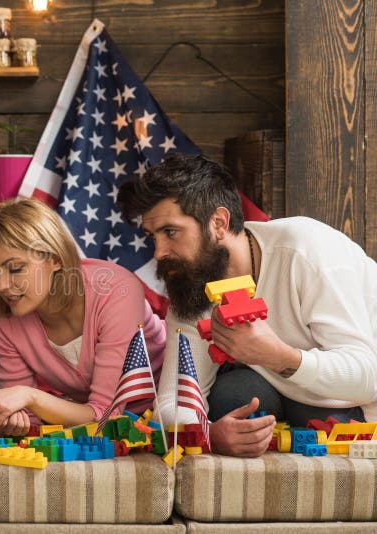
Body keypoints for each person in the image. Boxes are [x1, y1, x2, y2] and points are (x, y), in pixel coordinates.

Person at [117, 153, 377, 457]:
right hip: (286, 393)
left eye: (171, 232)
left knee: (323, 416)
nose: (159, 252)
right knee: (233, 395)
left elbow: (368, 379)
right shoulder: (191, 283)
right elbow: (174, 399)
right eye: (153, 236)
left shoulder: (306, 252)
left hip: (357, 401)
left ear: (218, 222)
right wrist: (208, 434)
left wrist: (281, 357)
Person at [0, 199, 166, 435]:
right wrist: (15, 420)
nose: (1, 285)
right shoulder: (2, 314)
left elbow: (106, 417)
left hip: (168, 409)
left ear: (55, 259)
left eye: (16, 268)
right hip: (91, 420)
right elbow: (27, 418)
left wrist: (29, 396)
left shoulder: (117, 291)